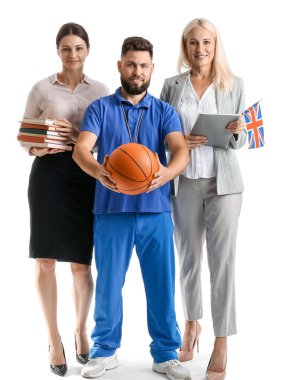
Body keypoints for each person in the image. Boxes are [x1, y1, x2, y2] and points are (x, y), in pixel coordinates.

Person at [73, 36, 191, 380]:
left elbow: (179, 149)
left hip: (156, 209)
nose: (137, 71)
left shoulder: (164, 111)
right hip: (111, 209)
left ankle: (166, 354)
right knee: (109, 284)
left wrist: (167, 172)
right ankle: (104, 351)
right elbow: (82, 149)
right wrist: (99, 171)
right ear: (120, 66)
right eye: (131, 64)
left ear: (151, 69)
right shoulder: (100, 108)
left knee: (162, 284)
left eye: (143, 66)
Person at [160, 18, 246, 380]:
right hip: (185, 182)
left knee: (221, 262)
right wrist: (176, 138)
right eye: (194, 43)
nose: (201, 50)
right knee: (189, 259)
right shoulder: (171, 85)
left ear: (216, 45)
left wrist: (239, 132)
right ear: (186, 46)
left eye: (207, 43)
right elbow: (159, 133)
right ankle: (191, 324)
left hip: (223, 184)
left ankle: (222, 340)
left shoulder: (233, 84)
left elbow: (241, 141)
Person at [23, 23, 109, 376]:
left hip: (85, 176)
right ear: (58, 51)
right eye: (66, 49)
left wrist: (84, 141)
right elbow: (26, 133)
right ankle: (54, 338)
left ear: (87, 50)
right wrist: (36, 146)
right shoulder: (41, 88)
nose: (72, 54)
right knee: (44, 260)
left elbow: (108, 139)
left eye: (78, 48)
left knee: (80, 264)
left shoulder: (101, 91)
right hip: (49, 174)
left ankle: (79, 327)